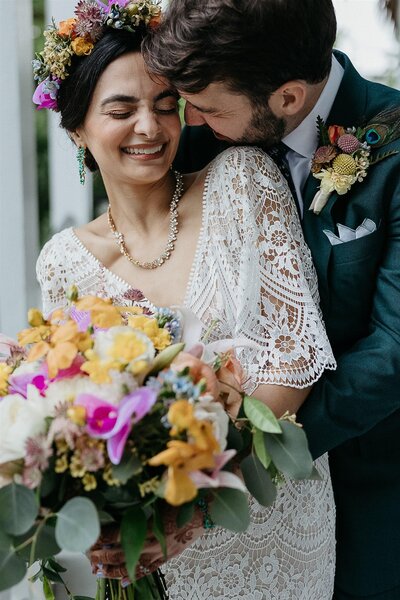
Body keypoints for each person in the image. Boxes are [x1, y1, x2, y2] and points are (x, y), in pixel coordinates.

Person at [34, 1, 336, 598]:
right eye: (122, 110)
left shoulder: (244, 182)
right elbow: (75, 413)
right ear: (76, 128)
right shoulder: (62, 262)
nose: (150, 127)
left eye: (166, 106)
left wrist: (189, 503)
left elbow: (295, 362)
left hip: (271, 526)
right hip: (154, 548)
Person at [142, 0, 400, 598]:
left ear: (287, 98)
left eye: (207, 109)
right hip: (230, 526)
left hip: (370, 486)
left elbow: (393, 350)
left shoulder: (393, 144)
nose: (194, 125)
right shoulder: (206, 139)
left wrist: (238, 450)